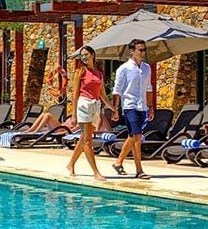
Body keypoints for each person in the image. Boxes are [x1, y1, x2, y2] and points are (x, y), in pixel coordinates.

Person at [66, 46, 114, 180]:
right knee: (87, 140)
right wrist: (74, 115)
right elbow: (75, 95)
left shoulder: (99, 73)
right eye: (82, 56)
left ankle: (71, 164)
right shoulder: (79, 72)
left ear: (93, 55)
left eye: (86, 54)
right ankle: (96, 172)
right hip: (84, 105)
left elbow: (103, 95)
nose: (84, 58)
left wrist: (113, 108)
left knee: (84, 138)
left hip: (95, 106)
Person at [110, 39, 154, 179]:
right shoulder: (123, 69)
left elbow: (148, 88)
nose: (143, 52)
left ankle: (118, 162)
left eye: (144, 50)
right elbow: (117, 90)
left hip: (142, 107)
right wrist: (115, 109)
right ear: (132, 51)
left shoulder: (147, 68)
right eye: (140, 50)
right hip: (129, 106)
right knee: (137, 137)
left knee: (133, 137)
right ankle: (139, 170)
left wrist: (151, 107)